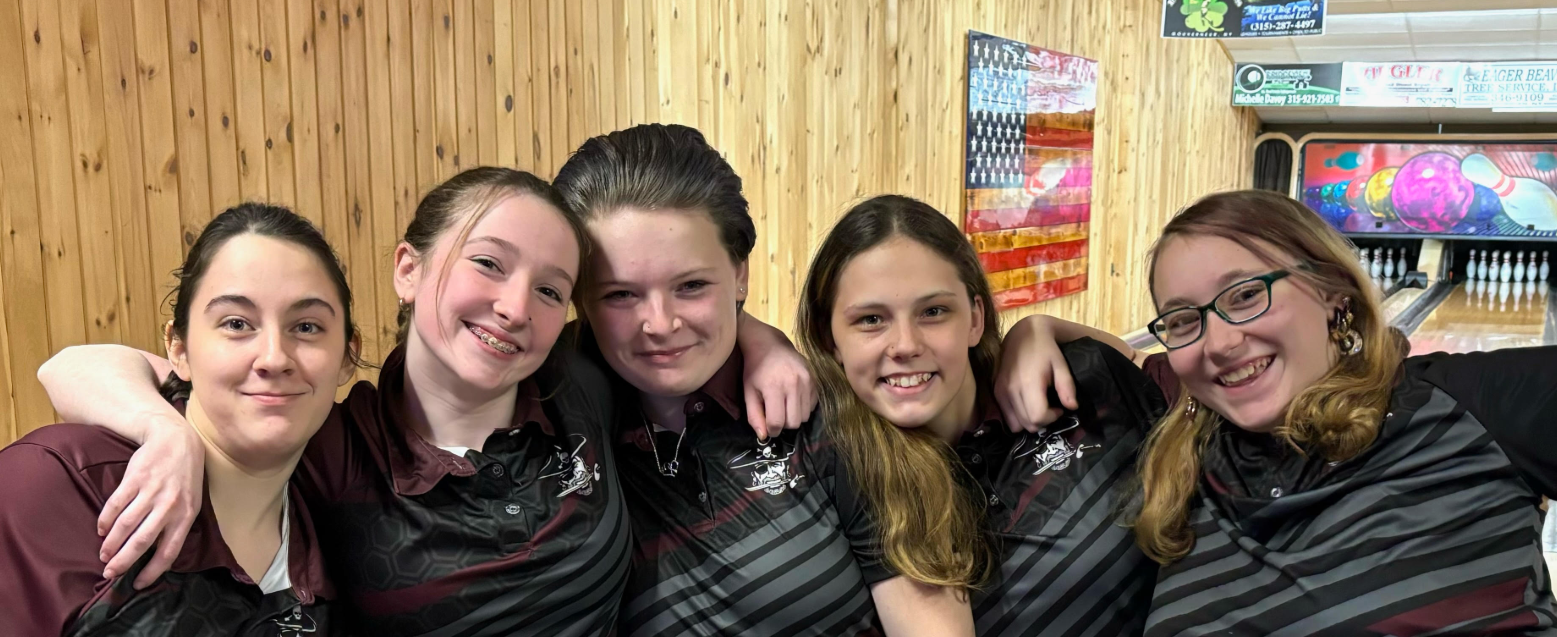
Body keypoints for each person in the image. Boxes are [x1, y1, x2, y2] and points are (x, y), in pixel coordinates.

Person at [37, 167, 812, 636]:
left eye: (549, 289)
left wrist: (759, 333)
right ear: (407, 268)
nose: (515, 307)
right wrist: (159, 428)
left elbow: (663, 324)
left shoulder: (576, 383)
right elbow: (70, 366)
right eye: (487, 263)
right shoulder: (333, 447)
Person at [1002, 189, 1557, 635]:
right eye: (1182, 319)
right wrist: (1035, 328)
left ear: (1332, 291)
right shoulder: (1189, 425)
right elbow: (1128, 355)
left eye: (1245, 295)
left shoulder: (1468, 406)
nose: (1218, 343)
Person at [552, 124, 971, 636]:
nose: (659, 324)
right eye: (620, 294)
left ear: (741, 275)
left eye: (691, 285)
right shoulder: (560, 424)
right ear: (578, 298)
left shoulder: (827, 413)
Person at [797, 195, 1167, 637]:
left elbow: (1192, 391)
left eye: (933, 312)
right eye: (871, 319)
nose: (905, 344)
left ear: (975, 318)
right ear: (830, 339)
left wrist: (1044, 326)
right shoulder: (836, 473)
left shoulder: (1080, 380)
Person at [0, 203, 356, 635]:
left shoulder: (351, 528)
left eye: (306, 327)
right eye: (237, 323)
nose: (274, 358)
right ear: (179, 348)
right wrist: (164, 428)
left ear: (347, 357)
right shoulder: (61, 485)